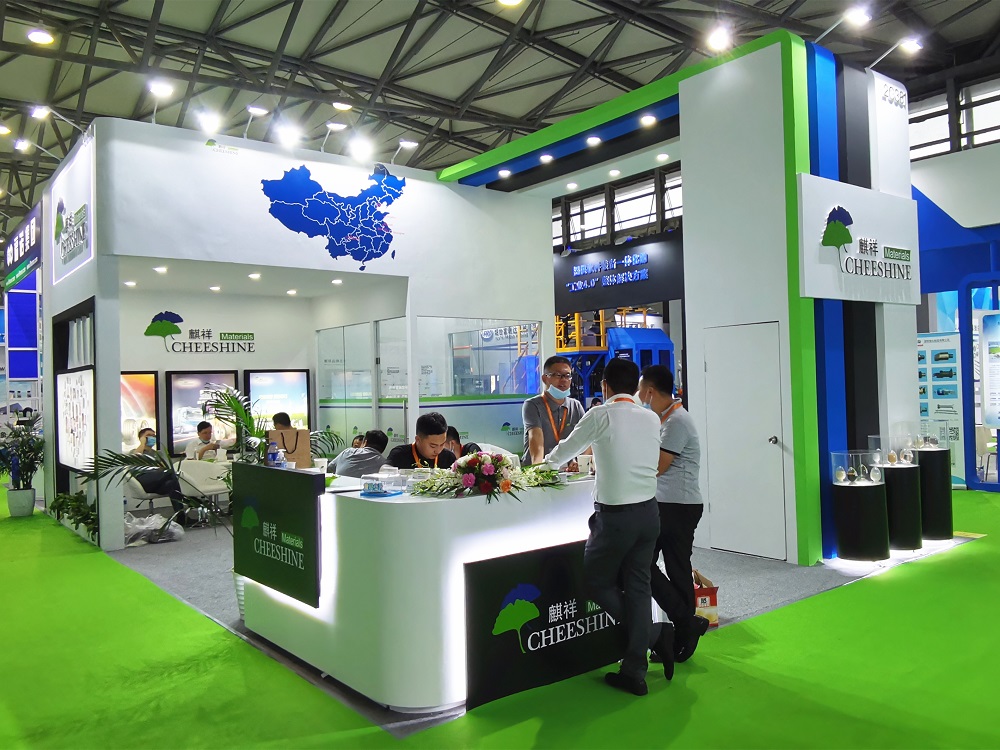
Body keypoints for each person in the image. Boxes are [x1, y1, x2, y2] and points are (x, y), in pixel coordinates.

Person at [544, 358, 673, 697]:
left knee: (596, 581)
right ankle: (635, 670)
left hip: (616, 517)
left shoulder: (601, 415)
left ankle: (653, 636)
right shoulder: (650, 417)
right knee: (639, 586)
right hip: (649, 513)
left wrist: (542, 468)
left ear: (605, 386)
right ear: (636, 388)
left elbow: (565, 450)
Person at [637, 365, 709, 664]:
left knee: (667, 567)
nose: (639, 397)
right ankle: (685, 626)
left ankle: (684, 628)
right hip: (668, 504)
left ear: (650, 391)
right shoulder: (666, 419)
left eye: (641, 391)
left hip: (676, 506)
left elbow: (658, 466)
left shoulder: (677, 421)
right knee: (654, 564)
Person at [522, 355, 585, 468]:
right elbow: (536, 439)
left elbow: (584, 439)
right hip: (539, 469)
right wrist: (538, 469)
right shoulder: (533, 405)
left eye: (567, 375)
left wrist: (578, 462)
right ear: (545, 378)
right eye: (558, 375)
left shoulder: (575, 406)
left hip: (566, 471)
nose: (564, 380)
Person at [131, 427, 188, 525]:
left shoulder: (157, 454)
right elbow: (136, 458)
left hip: (159, 482)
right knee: (171, 473)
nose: (152, 438)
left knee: (172, 483)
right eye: (148, 435)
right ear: (141, 438)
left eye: (154, 436)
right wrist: (142, 444)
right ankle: (193, 501)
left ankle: (180, 515)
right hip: (144, 481)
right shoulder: (134, 452)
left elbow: (163, 468)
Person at [385, 412, 457, 470]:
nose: (438, 451)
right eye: (433, 446)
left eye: (442, 444)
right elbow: (384, 472)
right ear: (418, 440)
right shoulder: (399, 455)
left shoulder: (449, 458)